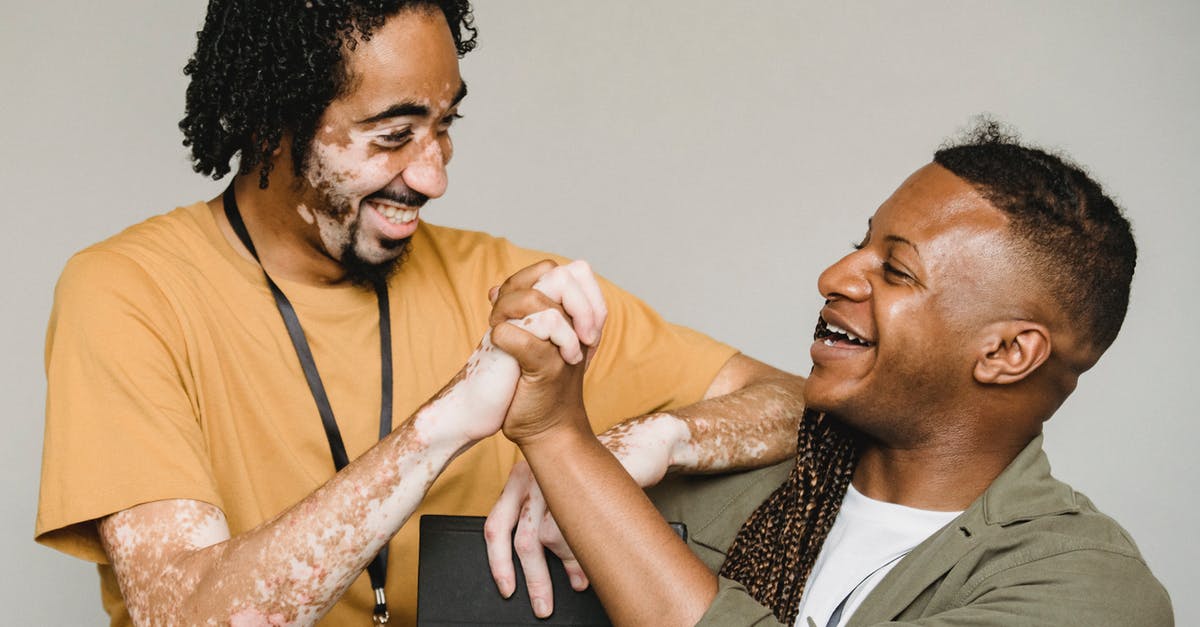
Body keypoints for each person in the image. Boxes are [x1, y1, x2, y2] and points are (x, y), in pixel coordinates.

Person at [34, 2, 806, 625]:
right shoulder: (128, 291)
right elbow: (186, 614)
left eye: (444, 128)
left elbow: (802, 408)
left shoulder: (508, 290)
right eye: (393, 136)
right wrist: (441, 426)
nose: (432, 177)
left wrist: (647, 442)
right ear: (273, 120)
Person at [490, 121, 1175, 626]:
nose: (834, 276)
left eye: (895, 270)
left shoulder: (1088, 588)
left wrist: (559, 437)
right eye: (859, 244)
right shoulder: (703, 494)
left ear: (1006, 353)